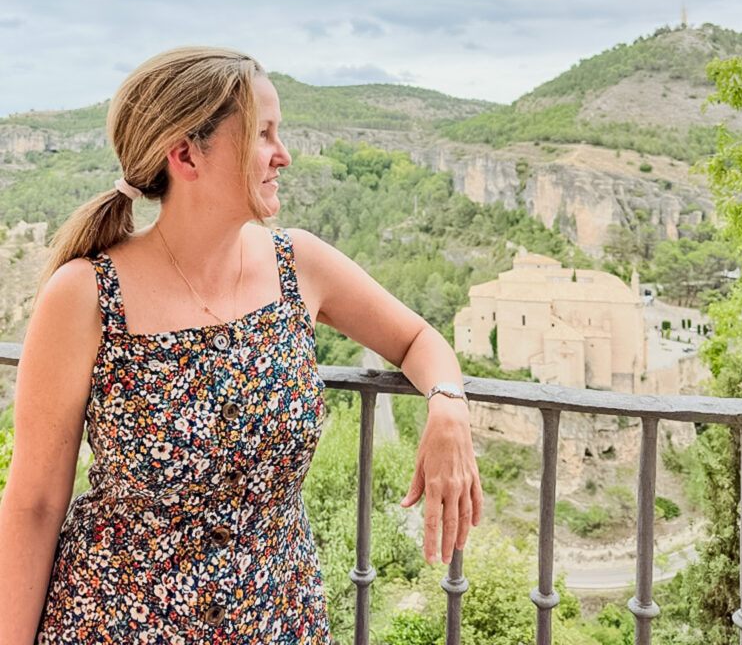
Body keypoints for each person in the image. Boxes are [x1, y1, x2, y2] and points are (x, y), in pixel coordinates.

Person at [0, 46, 482, 645]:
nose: (284, 155)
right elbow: (36, 504)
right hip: (120, 622)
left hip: (279, 619)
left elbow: (417, 338)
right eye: (263, 135)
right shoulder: (86, 295)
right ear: (185, 155)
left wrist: (447, 407)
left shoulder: (297, 264)